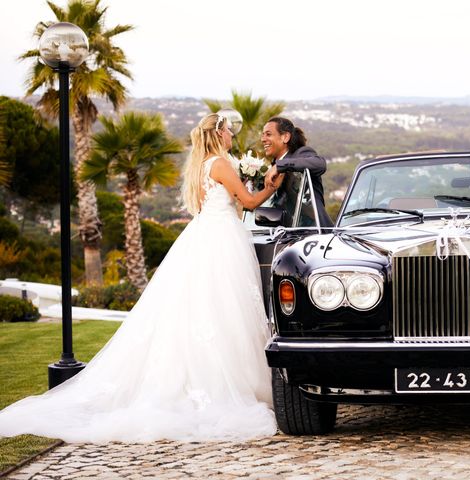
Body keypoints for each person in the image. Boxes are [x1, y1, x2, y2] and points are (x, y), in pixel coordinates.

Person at [0, 113, 278, 443]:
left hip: (204, 236)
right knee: (223, 308)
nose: (232, 136)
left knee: (204, 309)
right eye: (230, 131)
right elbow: (246, 203)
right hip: (221, 240)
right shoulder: (220, 163)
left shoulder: (202, 165)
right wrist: (268, 186)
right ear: (219, 134)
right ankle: (227, 384)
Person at [262, 117, 333, 227]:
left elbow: (319, 163)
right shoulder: (271, 167)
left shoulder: (301, 154)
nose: (263, 139)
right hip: (286, 235)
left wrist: (280, 166)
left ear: (285, 137)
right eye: (263, 134)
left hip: (315, 233)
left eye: (268, 134)